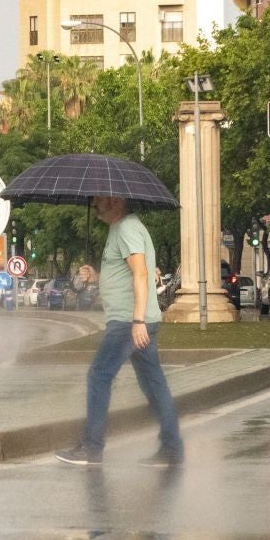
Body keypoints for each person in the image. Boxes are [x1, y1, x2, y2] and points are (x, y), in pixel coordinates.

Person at [56, 195, 183, 467]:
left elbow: (140, 273)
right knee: (153, 384)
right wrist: (97, 276)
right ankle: (172, 449)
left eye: (99, 198)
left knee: (99, 376)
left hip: (129, 322)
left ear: (116, 201)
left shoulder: (127, 228)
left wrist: (137, 322)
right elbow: (125, 274)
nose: (94, 202)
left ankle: (91, 448)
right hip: (134, 320)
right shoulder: (120, 229)